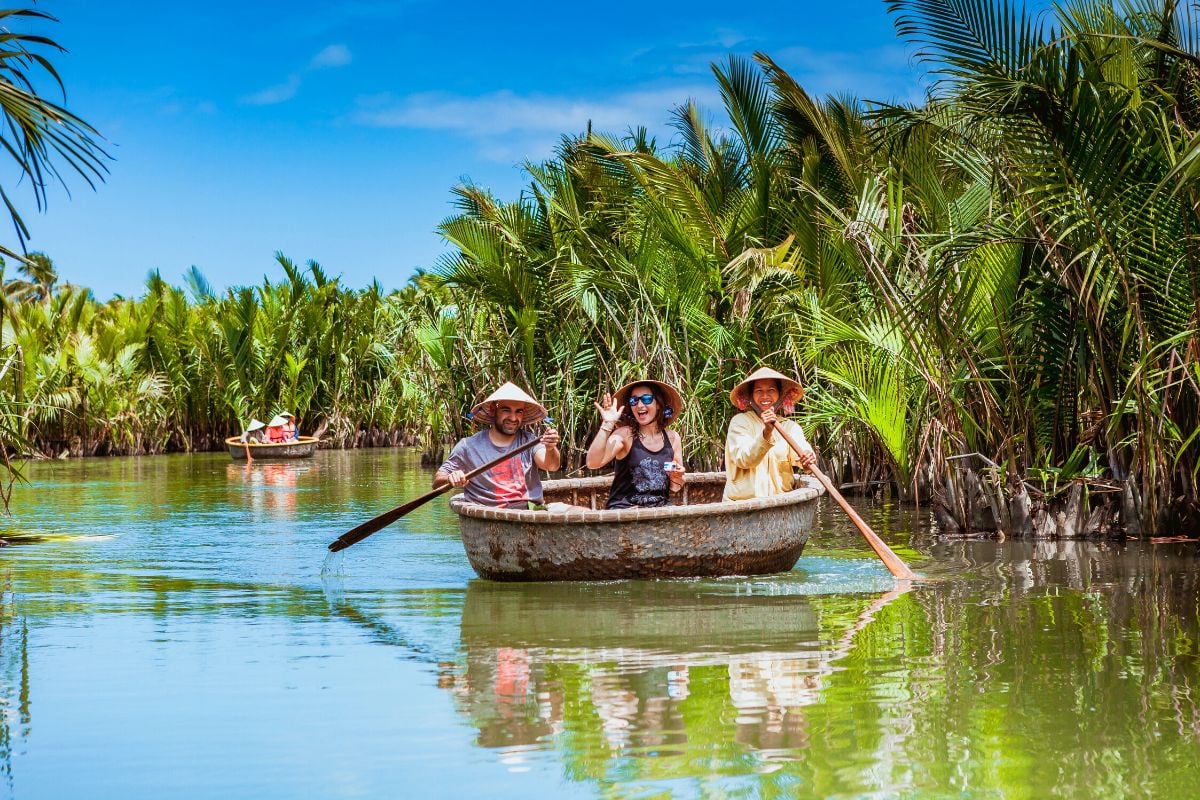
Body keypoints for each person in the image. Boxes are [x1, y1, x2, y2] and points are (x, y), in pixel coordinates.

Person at [434, 382, 562, 508]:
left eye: (519, 412)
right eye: (506, 410)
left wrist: (550, 448)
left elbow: (551, 466)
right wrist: (450, 478)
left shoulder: (530, 441)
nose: (513, 418)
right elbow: (437, 482)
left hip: (529, 513)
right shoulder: (468, 446)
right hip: (488, 515)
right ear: (493, 410)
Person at [586, 379, 686, 509]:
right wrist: (607, 424)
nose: (639, 405)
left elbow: (675, 487)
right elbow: (592, 463)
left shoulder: (673, 438)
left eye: (646, 399)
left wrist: (677, 477)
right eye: (634, 400)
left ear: (659, 404)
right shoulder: (624, 435)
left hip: (659, 512)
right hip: (625, 511)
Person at [723, 367, 816, 501]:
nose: (765, 396)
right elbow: (744, 460)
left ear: (780, 395)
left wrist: (808, 458)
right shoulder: (740, 422)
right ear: (751, 396)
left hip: (781, 502)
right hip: (742, 504)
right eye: (759, 391)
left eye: (771, 390)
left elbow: (803, 455)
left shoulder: (790, 427)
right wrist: (767, 432)